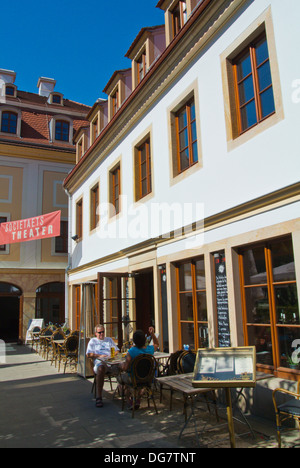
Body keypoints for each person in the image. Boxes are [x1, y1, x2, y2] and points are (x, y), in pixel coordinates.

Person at [118, 326, 159, 409]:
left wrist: (120, 365)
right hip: (147, 378)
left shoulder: (132, 351)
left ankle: (129, 400)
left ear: (134, 341)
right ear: (145, 340)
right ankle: (137, 399)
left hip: (133, 379)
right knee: (140, 383)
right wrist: (152, 334)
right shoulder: (149, 350)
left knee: (120, 377)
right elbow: (156, 344)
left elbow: (125, 367)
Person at [86, 325, 119, 408]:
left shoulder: (109, 340)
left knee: (123, 366)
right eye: (99, 332)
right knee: (101, 369)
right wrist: (99, 355)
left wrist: (112, 355)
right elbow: (88, 354)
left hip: (110, 362)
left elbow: (117, 350)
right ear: (95, 333)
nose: (101, 334)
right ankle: (99, 396)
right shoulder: (93, 341)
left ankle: (124, 392)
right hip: (99, 362)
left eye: (103, 332)